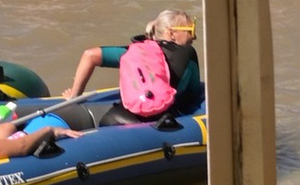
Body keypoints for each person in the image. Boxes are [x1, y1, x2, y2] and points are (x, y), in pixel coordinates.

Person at [66, 12, 203, 119]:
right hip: (158, 124)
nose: (194, 37)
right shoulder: (188, 53)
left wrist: (74, 98)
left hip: (114, 118)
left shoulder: (137, 50)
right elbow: (192, 95)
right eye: (190, 30)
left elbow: (90, 55)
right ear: (171, 33)